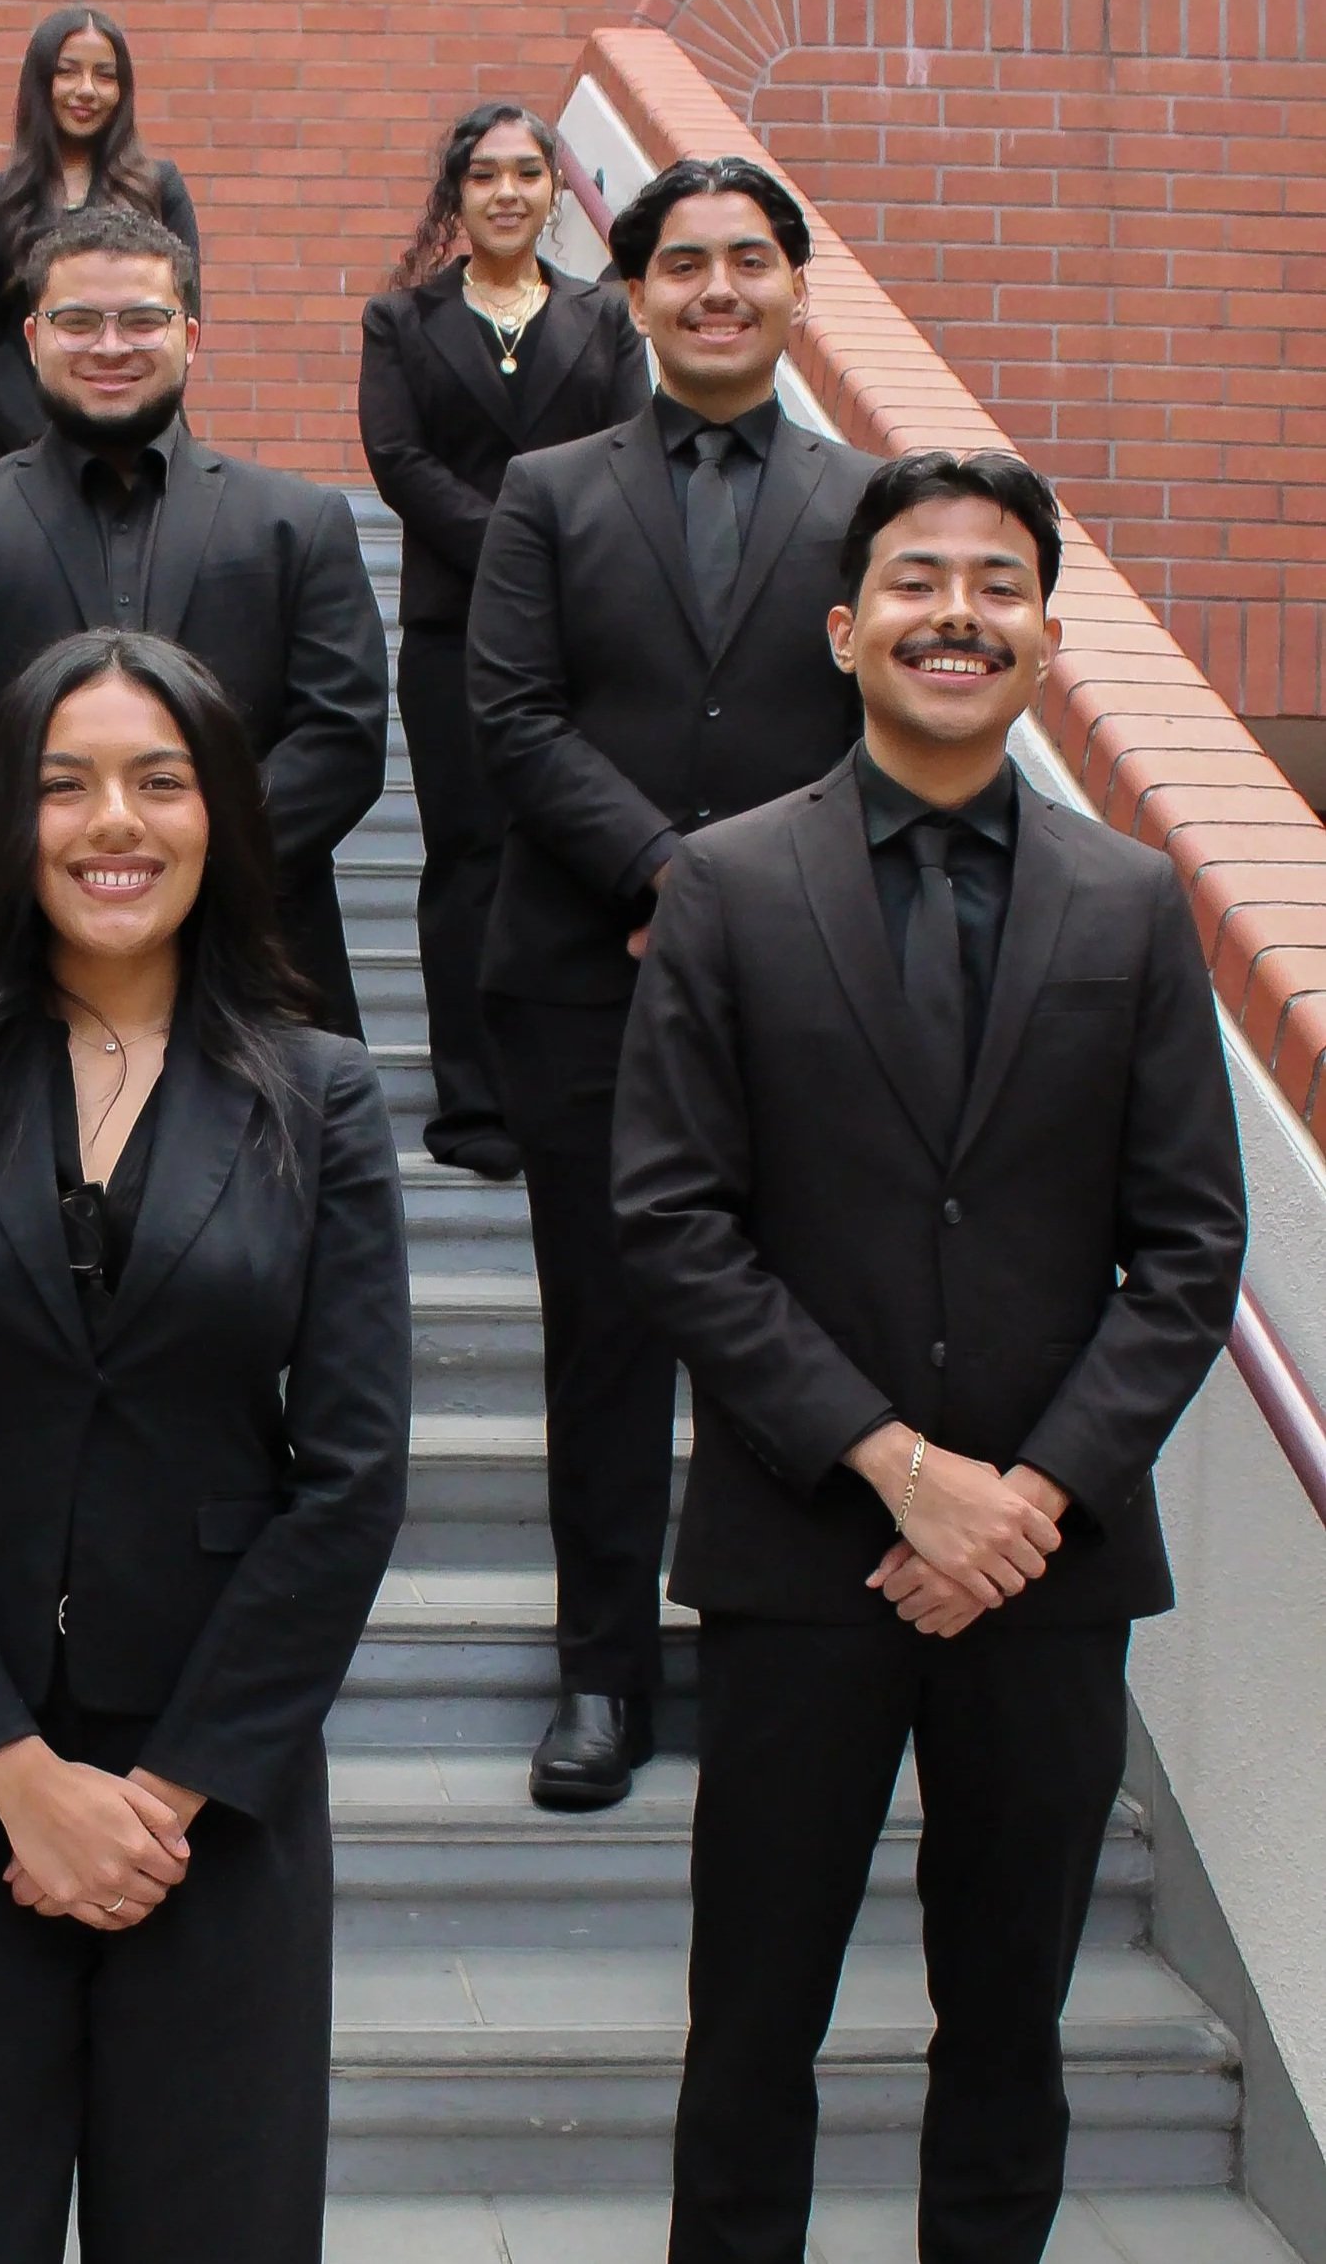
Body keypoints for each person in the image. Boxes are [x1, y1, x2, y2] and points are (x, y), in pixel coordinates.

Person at [612, 448, 1247, 2264]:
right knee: (753, 2027)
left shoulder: (1132, 902)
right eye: (914, 579)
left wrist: (1028, 1499)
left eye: (996, 585)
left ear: (1043, 635)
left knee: (1011, 2028)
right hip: (802, 1553)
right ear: (844, 628)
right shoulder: (728, 884)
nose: (954, 613)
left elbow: (1190, 1245)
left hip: (1050, 1576)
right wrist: (901, 1470)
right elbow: (671, 1218)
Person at [0, 628, 410, 2263]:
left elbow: (353, 1475)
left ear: (224, 816)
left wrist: (164, 1795)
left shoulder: (321, 1096)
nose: (114, 824)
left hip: (220, 1786)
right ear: (6, 816)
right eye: (64, 786)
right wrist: (17, 1779)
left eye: (161, 781)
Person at [467, 153, 879, 1810]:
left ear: (795, 288)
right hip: (585, 984)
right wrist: (669, 875)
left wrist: (748, 904)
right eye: (684, 264)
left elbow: (895, 730)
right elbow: (512, 719)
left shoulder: (873, 503)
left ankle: (775, 1657)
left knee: (793, 1330)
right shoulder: (549, 492)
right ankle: (603, 1672)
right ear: (633, 295)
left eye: (750, 260)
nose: (718, 289)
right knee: (609, 1339)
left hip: (813, 989)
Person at [0, 203, 387, 1036]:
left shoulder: (298, 524)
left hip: (261, 967)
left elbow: (342, 738)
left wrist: (186, 861)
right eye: (78, 321)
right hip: (6, 975)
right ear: (33, 338)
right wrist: (56, 864)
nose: (110, 346)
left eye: (143, 320)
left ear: (190, 336)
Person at [359, 101, 649, 1180]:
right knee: (468, 858)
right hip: (456, 628)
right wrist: (522, 548)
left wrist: (557, 562)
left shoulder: (604, 316)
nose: (508, 192)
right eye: (485, 175)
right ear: (458, 192)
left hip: (588, 627)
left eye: (528, 172)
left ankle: (571, 1080)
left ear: (555, 188)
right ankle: (474, 1101)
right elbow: (399, 460)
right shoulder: (401, 321)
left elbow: (631, 447)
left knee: (580, 848)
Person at [0, 6, 202, 467]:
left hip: (144, 446)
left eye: (105, 75)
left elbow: (179, 317)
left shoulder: (158, 189)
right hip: (22, 447)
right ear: (40, 81)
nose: (86, 89)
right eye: (67, 72)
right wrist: (45, 441)